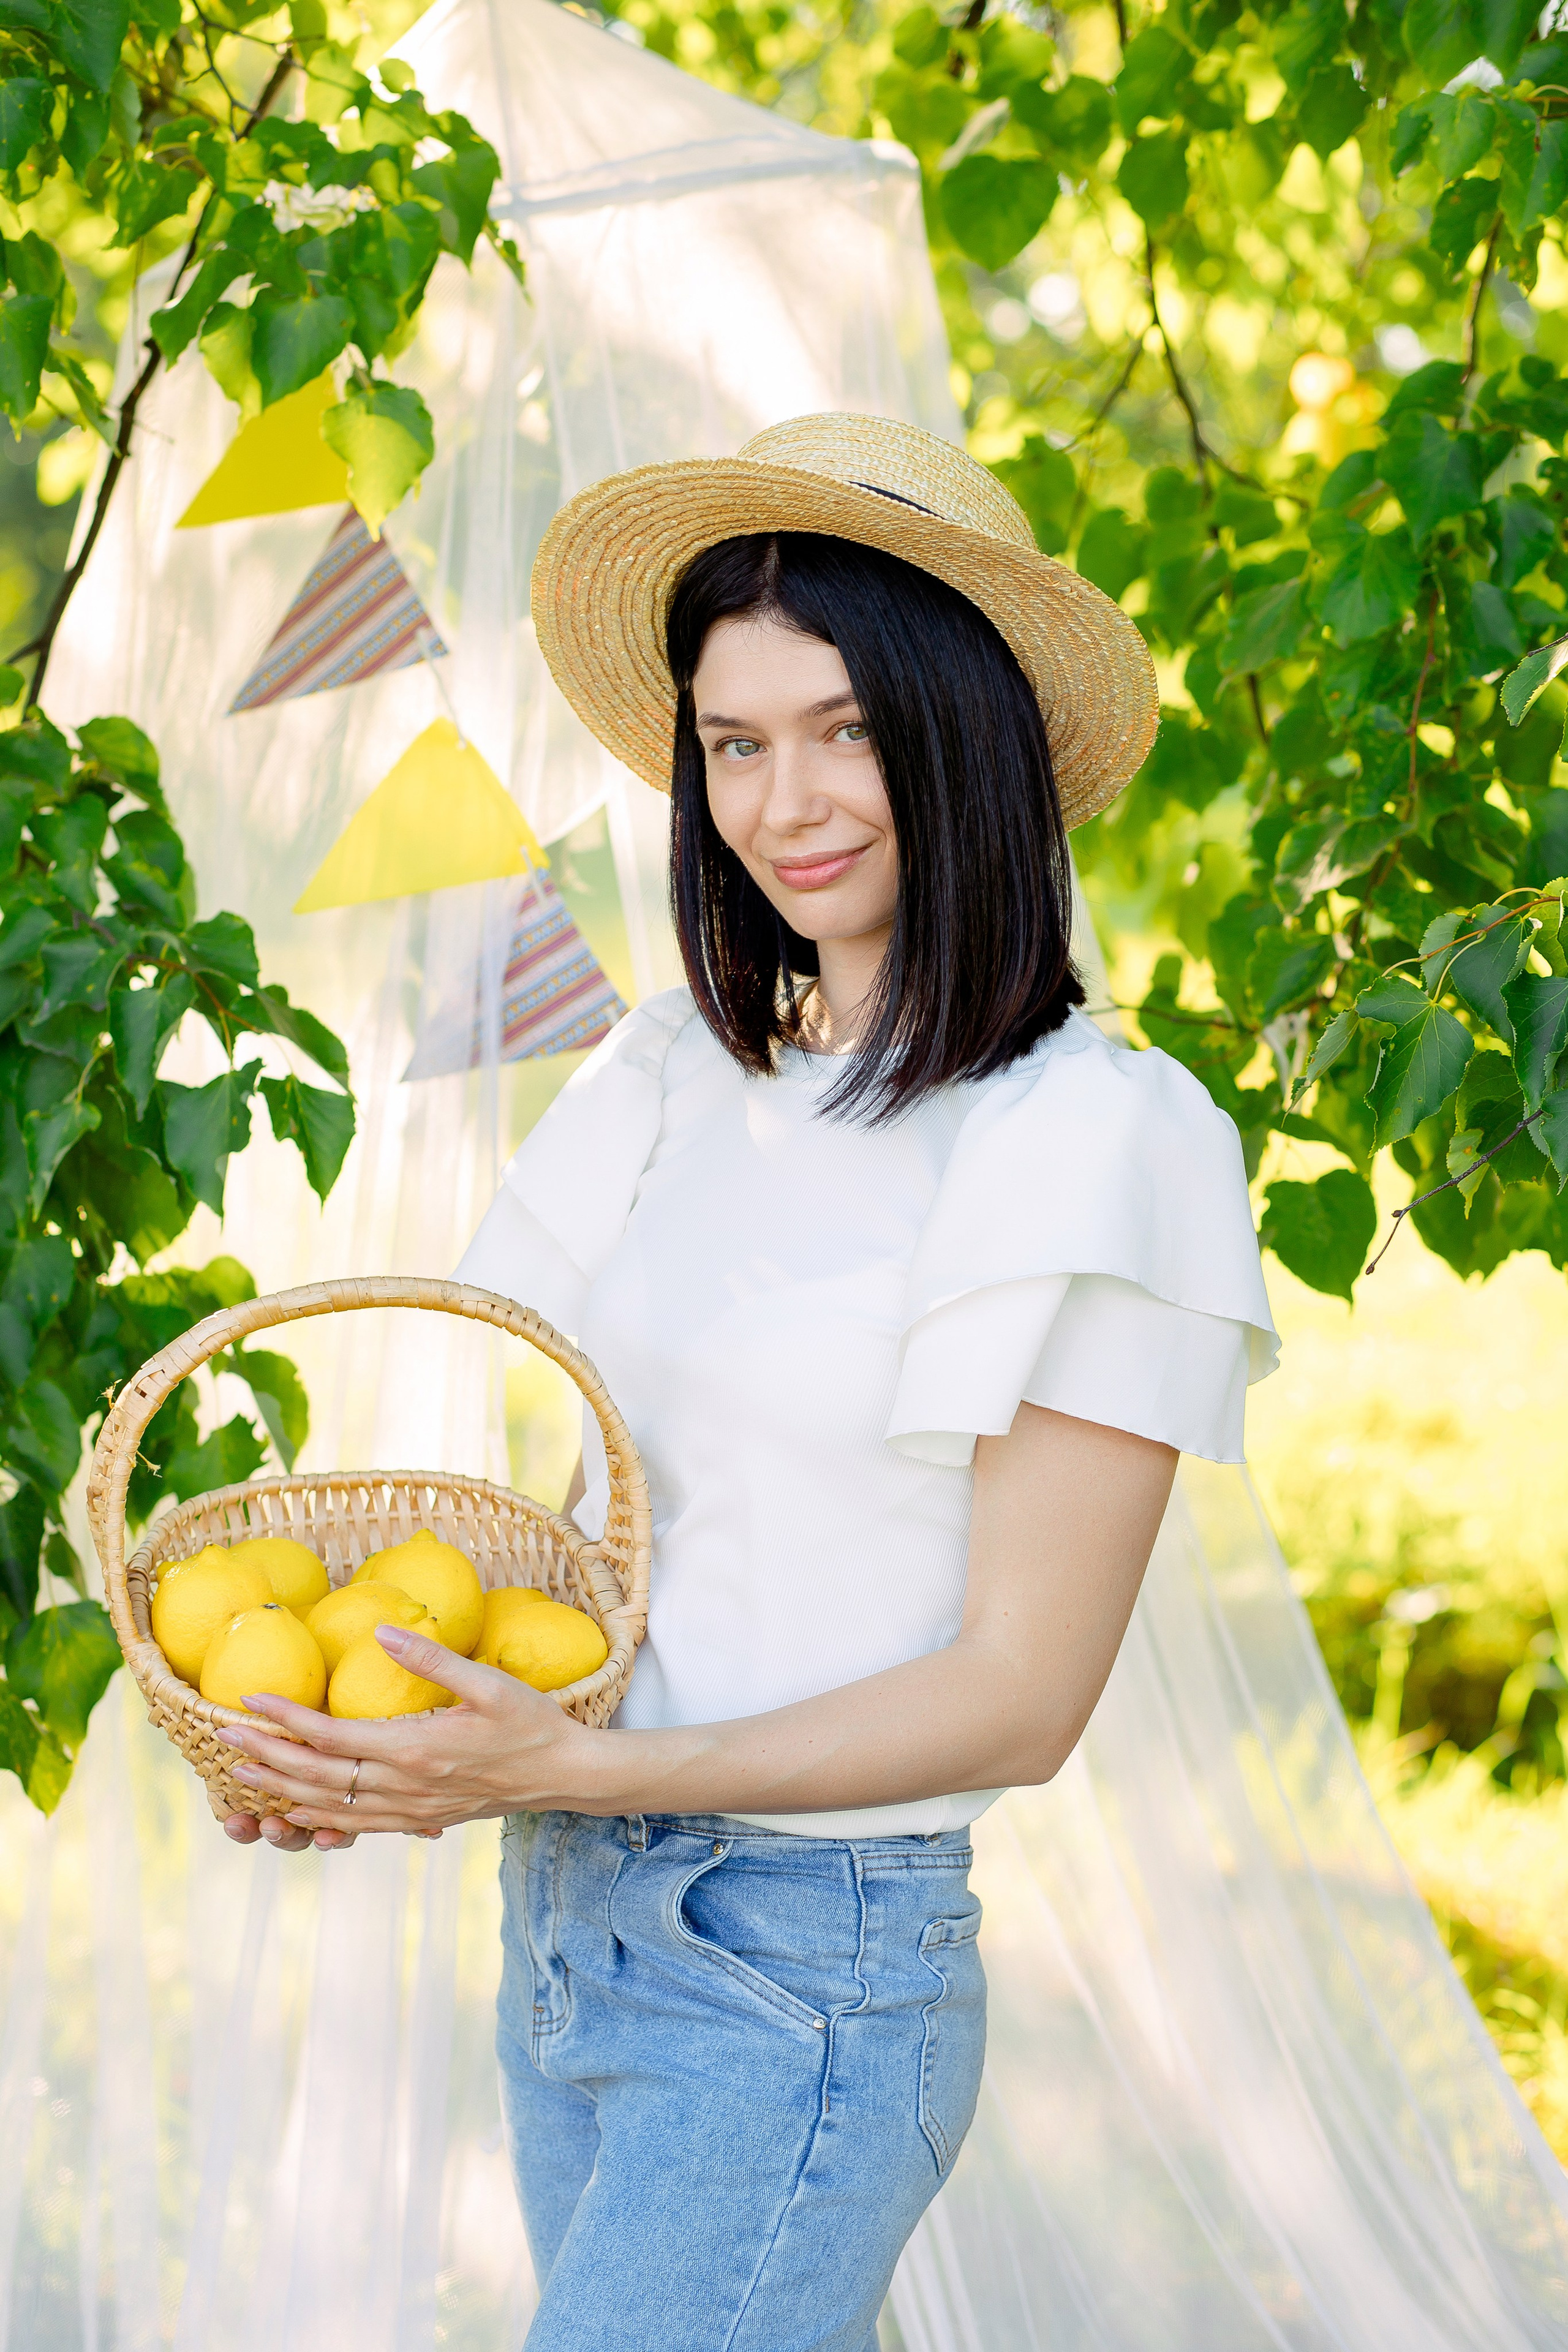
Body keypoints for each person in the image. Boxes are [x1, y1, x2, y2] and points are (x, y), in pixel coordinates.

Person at [216, 413, 1279, 2351]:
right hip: (569, 1921)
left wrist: (579, 1766)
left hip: (805, 1970)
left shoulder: (1100, 1139)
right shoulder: (673, 1070)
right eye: (736, 741)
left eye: (851, 726)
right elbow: (615, 1550)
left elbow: (1019, 1697)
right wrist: (375, 1731)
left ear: (973, 735)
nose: (785, 798)